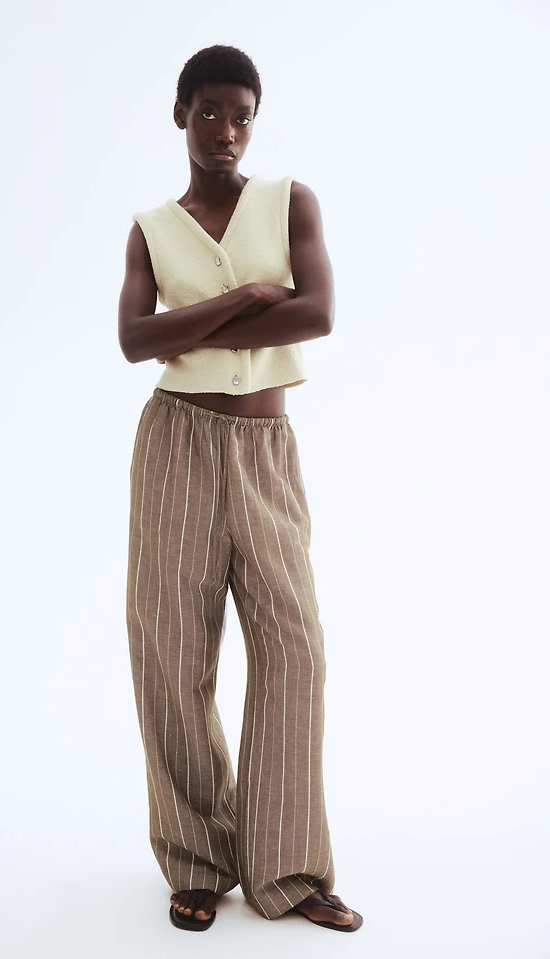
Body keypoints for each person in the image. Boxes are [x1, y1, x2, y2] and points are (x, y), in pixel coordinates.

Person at [117, 44, 363, 934]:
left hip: (263, 448)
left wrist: (192, 324)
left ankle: (286, 867)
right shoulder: (151, 228)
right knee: (172, 655)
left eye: (243, 115)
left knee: (295, 647)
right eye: (212, 111)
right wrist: (247, 299)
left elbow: (317, 312)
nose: (227, 130)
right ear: (181, 114)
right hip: (175, 445)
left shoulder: (291, 201)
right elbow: (134, 341)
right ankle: (195, 859)